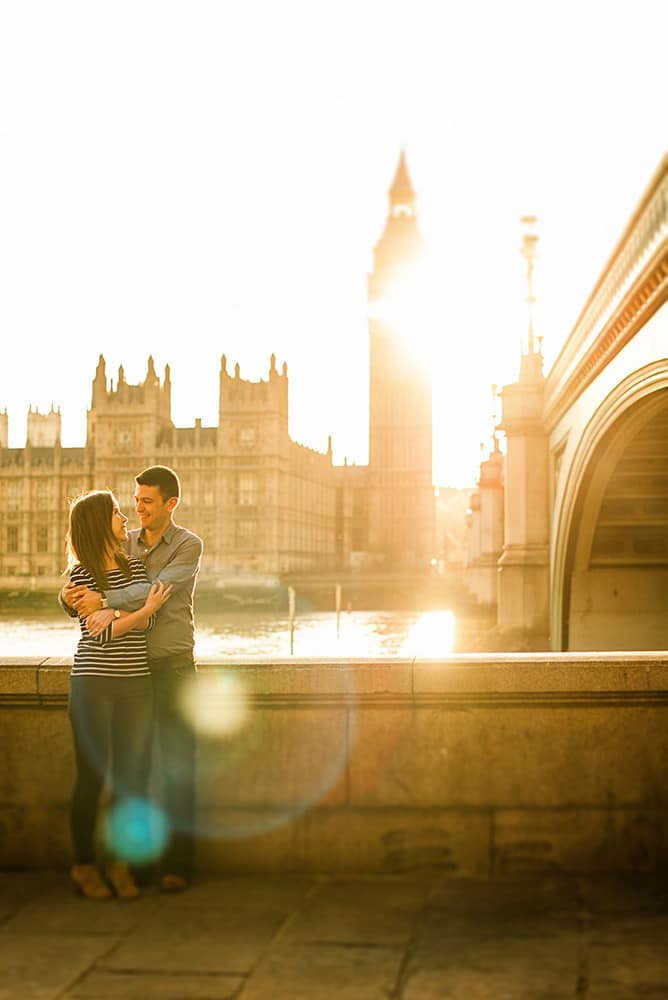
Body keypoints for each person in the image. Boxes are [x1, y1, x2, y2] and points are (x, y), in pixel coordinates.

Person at [62, 466, 203, 892]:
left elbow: (158, 591)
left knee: (172, 769)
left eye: (145, 501)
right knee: (117, 776)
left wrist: (105, 601)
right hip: (123, 676)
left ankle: (175, 865)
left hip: (170, 667)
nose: (135, 509)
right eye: (132, 502)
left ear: (170, 504)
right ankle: (119, 864)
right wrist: (70, 597)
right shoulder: (127, 547)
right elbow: (84, 579)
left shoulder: (186, 545)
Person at [65, 490, 171, 901]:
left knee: (133, 781)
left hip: (135, 685)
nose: (124, 517)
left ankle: (119, 863)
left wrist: (132, 613)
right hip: (94, 685)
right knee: (92, 780)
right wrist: (141, 611)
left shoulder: (132, 567)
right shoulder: (80, 577)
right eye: (114, 512)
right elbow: (104, 632)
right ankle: (83, 865)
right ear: (97, 523)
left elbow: (149, 622)